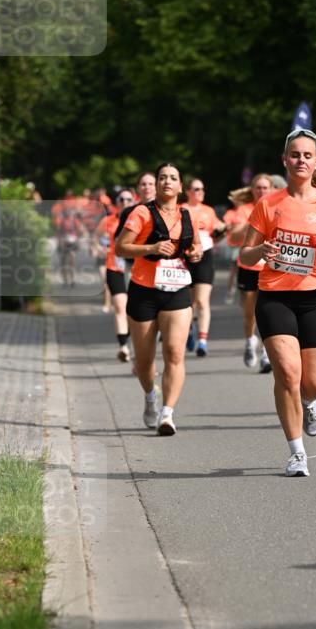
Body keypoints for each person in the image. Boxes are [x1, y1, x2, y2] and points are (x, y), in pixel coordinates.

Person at [239, 129, 316, 476]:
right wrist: (261, 250)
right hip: (276, 297)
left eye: (307, 155)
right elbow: (245, 255)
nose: (301, 160)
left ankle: (310, 403)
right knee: (288, 373)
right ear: (284, 160)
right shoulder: (268, 204)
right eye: (295, 155)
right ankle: (296, 452)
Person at [115, 163, 202, 435]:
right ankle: (150, 397)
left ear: (179, 187)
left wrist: (196, 252)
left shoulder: (188, 215)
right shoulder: (141, 212)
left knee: (175, 352)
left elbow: (195, 245)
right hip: (144, 290)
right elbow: (121, 247)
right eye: (162, 177)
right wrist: (151, 247)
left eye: (172, 178)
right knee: (144, 360)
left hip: (176, 289)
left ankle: (167, 414)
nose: (167, 181)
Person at [228, 174, 275, 373]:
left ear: (271, 189)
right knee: (250, 314)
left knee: (267, 313)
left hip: (270, 267)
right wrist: (255, 219)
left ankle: (266, 354)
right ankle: (250, 341)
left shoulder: (278, 208)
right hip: (248, 267)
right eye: (258, 188)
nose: (262, 191)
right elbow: (235, 236)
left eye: (265, 188)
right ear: (252, 190)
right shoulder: (244, 210)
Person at [182, 178, 227, 356]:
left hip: (205, 256)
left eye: (202, 189)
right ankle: (190, 329)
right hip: (185, 257)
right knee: (188, 303)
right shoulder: (182, 209)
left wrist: (220, 233)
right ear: (188, 192)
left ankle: (202, 341)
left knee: (202, 300)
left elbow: (220, 230)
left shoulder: (208, 210)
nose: (200, 192)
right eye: (196, 189)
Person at [97, 190, 135, 361]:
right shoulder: (109, 220)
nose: (125, 202)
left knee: (134, 311)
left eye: (129, 199)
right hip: (114, 267)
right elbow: (96, 236)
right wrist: (98, 248)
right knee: (120, 306)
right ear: (116, 202)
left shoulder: (139, 219)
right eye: (122, 199)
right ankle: (123, 347)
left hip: (135, 269)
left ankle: (138, 345)